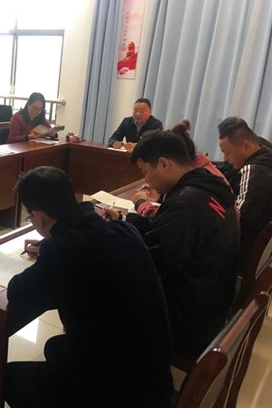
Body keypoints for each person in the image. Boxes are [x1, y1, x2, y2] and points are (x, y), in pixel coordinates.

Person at [5, 166, 174, 408]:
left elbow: (18, 292)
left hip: (117, 394)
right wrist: (52, 248)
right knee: (54, 347)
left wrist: (51, 252)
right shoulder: (124, 229)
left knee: (9, 377)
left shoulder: (64, 250)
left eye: (30, 218)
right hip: (155, 376)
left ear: (39, 216)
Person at [103, 130, 239, 357]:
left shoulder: (186, 203)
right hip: (208, 306)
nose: (146, 181)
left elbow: (150, 266)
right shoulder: (206, 187)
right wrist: (125, 221)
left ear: (164, 164)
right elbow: (164, 230)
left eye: (145, 172)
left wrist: (106, 247)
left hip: (187, 322)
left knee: (97, 289)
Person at [134, 119, 231, 217]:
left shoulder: (187, 196)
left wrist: (141, 204)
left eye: (145, 172)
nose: (146, 179)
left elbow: (169, 215)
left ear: (165, 163)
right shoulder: (204, 176)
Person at [218, 123, 272, 267]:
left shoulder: (254, 170)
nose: (225, 159)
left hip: (246, 252)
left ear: (246, 146)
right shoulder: (266, 160)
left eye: (228, 152)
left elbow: (241, 218)